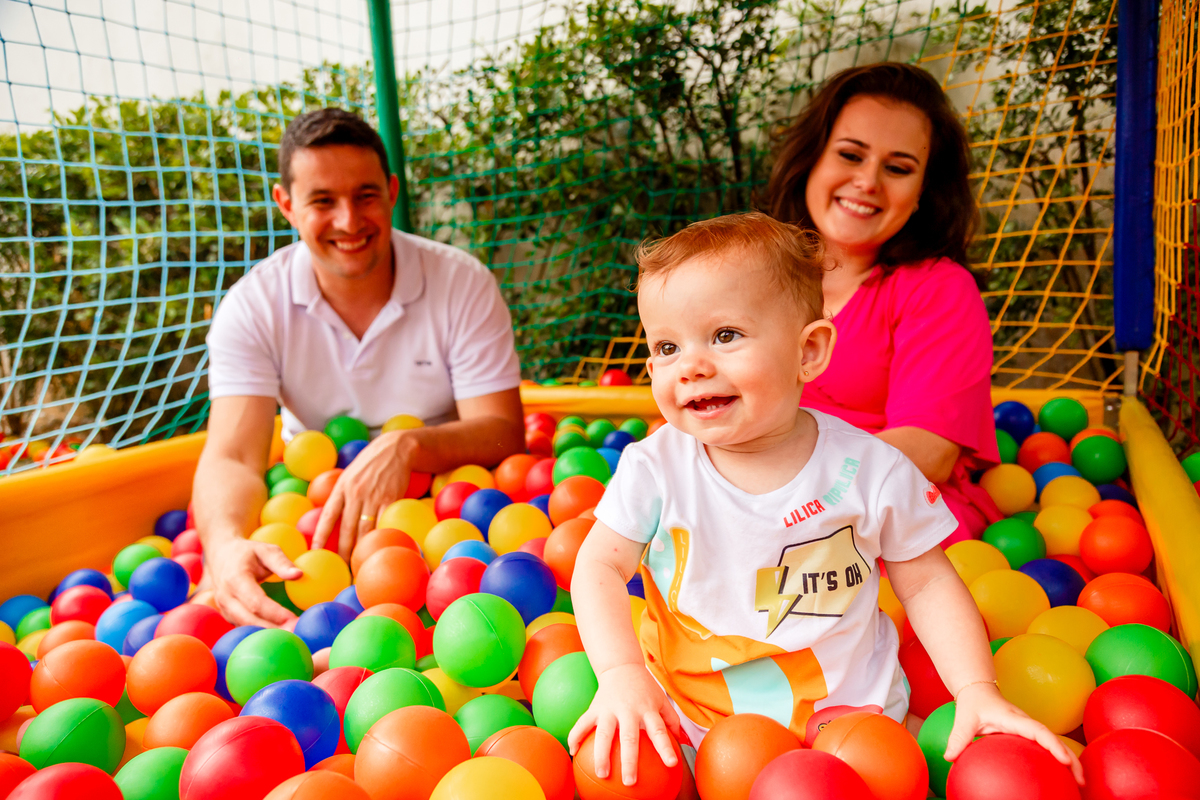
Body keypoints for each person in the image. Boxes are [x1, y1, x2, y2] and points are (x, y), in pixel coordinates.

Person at [567, 213, 1081, 794]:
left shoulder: (870, 470)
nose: (691, 365)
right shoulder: (655, 467)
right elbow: (599, 565)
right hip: (691, 718)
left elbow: (929, 583)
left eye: (725, 335)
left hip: (852, 720)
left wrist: (975, 690)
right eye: (666, 346)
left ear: (808, 350)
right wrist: (620, 677)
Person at [192, 108, 525, 628]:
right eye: (323, 201)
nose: (349, 221)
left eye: (365, 196)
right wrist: (226, 543)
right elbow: (233, 456)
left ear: (391, 191)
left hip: (450, 496)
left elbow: (506, 433)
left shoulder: (462, 284)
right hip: (310, 501)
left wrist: (409, 445)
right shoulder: (253, 305)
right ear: (286, 205)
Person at [766, 63, 1001, 547]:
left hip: (891, 515)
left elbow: (928, 451)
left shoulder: (940, 289)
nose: (868, 182)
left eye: (897, 168)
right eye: (850, 155)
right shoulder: (758, 275)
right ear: (812, 160)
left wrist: (770, 492)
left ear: (921, 194)